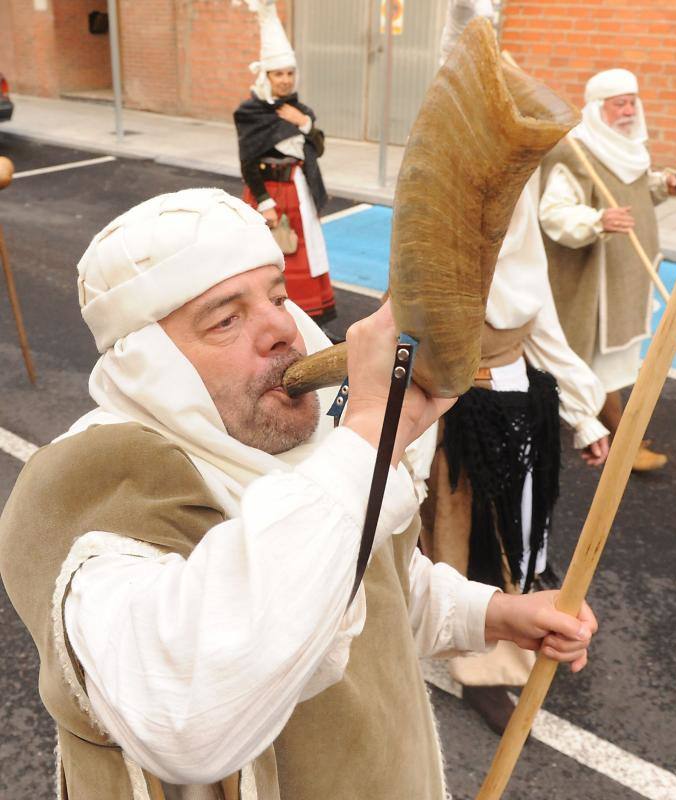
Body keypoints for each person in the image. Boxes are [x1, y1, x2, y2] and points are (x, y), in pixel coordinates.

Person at [0, 189, 596, 800]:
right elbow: (186, 714)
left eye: (278, 297)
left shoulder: (309, 446)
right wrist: (368, 438)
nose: (283, 329)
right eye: (226, 319)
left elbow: (376, 586)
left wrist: (490, 614)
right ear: (149, 363)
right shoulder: (82, 482)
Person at [417, 0, 609, 738]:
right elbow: (409, 317)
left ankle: (526, 624)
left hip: (519, 389)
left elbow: (536, 312)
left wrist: (582, 408)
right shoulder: (439, 177)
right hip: (453, 392)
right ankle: (482, 665)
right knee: (456, 526)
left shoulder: (516, 173)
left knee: (524, 521)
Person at [539, 68, 676, 471]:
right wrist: (596, 221)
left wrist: (664, 187)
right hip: (595, 284)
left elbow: (635, 196)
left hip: (627, 279)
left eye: (631, 101)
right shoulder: (577, 152)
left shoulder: (629, 150)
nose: (627, 110)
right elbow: (553, 213)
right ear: (597, 108)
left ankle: (617, 430)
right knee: (599, 365)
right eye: (618, 103)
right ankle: (623, 443)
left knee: (616, 362)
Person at [234, 0, 336, 328]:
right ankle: (269, 315)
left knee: (301, 253)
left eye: (290, 73)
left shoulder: (300, 109)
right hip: (270, 192)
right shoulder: (251, 112)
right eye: (278, 73)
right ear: (266, 75)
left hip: (298, 189)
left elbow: (316, 148)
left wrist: (303, 123)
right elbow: (248, 159)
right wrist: (264, 202)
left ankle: (305, 317)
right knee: (271, 254)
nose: (285, 80)